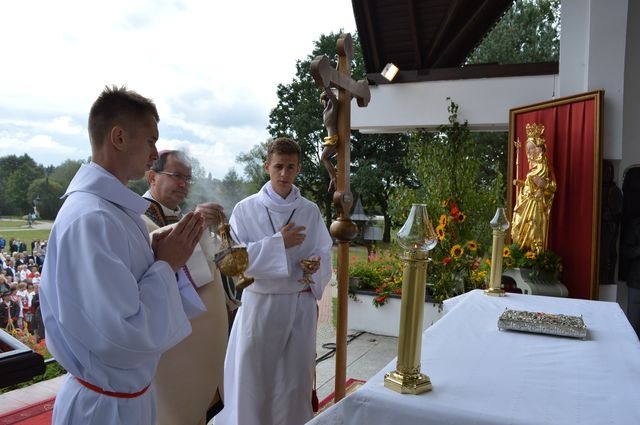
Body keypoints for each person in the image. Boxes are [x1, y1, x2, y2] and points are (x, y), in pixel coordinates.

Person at [39, 85, 205, 425]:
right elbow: (120, 335)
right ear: (118, 137)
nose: (154, 152)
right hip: (102, 409)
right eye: (150, 140)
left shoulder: (114, 210)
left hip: (126, 399)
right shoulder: (92, 218)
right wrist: (166, 264)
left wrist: (159, 257)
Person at [215, 137, 333, 425]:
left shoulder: (309, 210)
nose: (284, 173)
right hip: (260, 304)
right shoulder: (245, 209)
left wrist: (315, 266)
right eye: (278, 166)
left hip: (298, 304)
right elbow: (234, 260)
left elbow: (323, 250)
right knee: (254, 378)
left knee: (294, 381)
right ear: (266, 166)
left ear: (299, 169)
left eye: (290, 167)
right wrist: (279, 242)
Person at [142, 149, 238, 424]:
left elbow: (211, 270)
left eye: (188, 178)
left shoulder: (177, 215)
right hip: (173, 352)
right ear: (152, 176)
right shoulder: (138, 219)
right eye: (176, 176)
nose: (184, 184)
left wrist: (208, 232)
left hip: (197, 347)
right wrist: (194, 225)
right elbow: (162, 259)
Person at [511, 122, 557, 254]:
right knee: (518, 226)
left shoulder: (545, 167)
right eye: (528, 149)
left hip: (536, 205)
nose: (530, 152)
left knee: (533, 230)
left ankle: (534, 255)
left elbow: (553, 187)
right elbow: (528, 184)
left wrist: (544, 185)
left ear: (539, 148)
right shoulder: (532, 167)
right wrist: (519, 183)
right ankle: (521, 253)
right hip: (524, 202)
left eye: (532, 148)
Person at [320, 88, 339, 192]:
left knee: (324, 158)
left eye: (323, 100)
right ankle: (334, 174)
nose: (322, 103)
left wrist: (326, 85)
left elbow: (332, 96)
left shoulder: (333, 105)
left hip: (333, 138)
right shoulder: (327, 110)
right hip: (330, 137)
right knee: (325, 158)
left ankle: (333, 177)